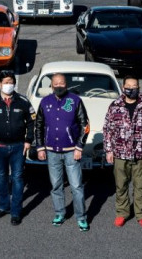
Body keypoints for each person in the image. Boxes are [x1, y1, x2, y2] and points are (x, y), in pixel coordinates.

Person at [34, 73, 90, 232]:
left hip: (72, 151)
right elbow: (38, 125)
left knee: (76, 186)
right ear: (51, 85)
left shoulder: (75, 101)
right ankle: (60, 213)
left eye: (62, 83)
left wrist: (79, 146)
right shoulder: (45, 102)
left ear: (66, 84)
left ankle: (81, 217)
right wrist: (40, 147)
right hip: (52, 151)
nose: (58, 86)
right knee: (56, 185)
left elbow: (85, 125)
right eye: (55, 83)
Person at [103, 75, 142, 229]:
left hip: (141, 153)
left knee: (140, 186)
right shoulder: (115, 106)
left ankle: (141, 215)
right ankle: (122, 213)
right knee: (121, 185)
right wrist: (108, 150)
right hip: (120, 154)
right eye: (128, 86)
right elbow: (108, 129)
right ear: (123, 88)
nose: (131, 89)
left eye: (134, 86)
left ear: (139, 88)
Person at [0, 70, 35, 225]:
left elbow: (31, 122)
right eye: (5, 82)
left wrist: (28, 140)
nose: (8, 85)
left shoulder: (23, 101)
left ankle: (16, 211)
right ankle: (3, 206)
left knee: (17, 178)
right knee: (1, 177)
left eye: (11, 82)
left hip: (18, 147)